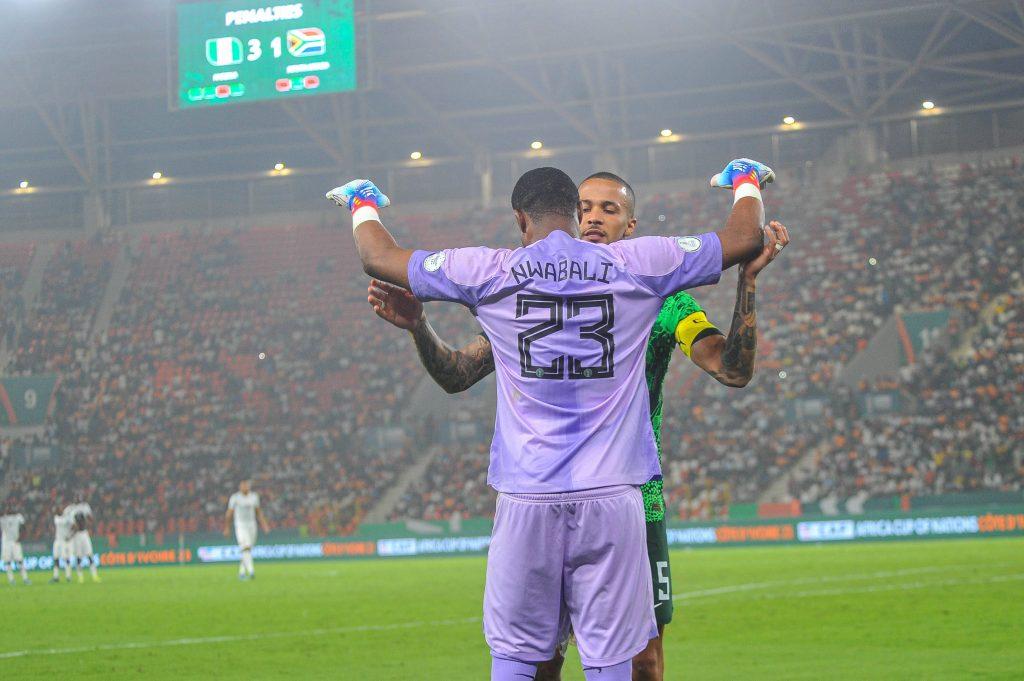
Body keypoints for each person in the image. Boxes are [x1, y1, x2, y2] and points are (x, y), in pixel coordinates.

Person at [328, 159, 777, 681]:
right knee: (613, 661)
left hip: (528, 498)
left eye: (609, 209)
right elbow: (744, 236)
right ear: (572, 212)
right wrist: (746, 181)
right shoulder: (646, 267)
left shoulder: (494, 273)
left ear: (522, 220)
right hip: (614, 495)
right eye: (587, 207)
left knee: (523, 658)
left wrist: (363, 202)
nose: (595, 218)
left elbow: (377, 256)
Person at [225, 480, 270, 580]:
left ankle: (241, 573)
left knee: (248, 550)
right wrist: (227, 528)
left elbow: (258, 512)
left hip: (252, 525)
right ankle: (251, 571)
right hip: (240, 525)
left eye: (246, 486)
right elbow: (229, 513)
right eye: (243, 486)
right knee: (246, 547)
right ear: (240, 487)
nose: (245, 487)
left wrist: (264, 525)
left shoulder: (254, 497)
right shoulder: (235, 498)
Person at [65, 500, 100, 583]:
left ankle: (94, 576)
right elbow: (72, 526)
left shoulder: (84, 509)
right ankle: (81, 577)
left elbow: (90, 519)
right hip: (77, 536)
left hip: (84, 534)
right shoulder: (71, 512)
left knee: (89, 555)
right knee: (79, 557)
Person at [1, 509, 30, 585]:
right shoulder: (3, 518)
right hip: (6, 542)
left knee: (20, 561)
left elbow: (24, 527)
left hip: (15, 542)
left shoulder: (18, 517)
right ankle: (11, 580)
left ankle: (25, 578)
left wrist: (21, 537)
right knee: (8, 562)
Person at [50, 506, 74, 583]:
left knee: (66, 558)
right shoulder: (56, 518)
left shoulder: (67, 518)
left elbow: (74, 526)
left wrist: (70, 535)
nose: (56, 512)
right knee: (56, 558)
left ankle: (68, 576)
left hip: (64, 541)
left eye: (57, 510)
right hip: (57, 541)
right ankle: (56, 577)